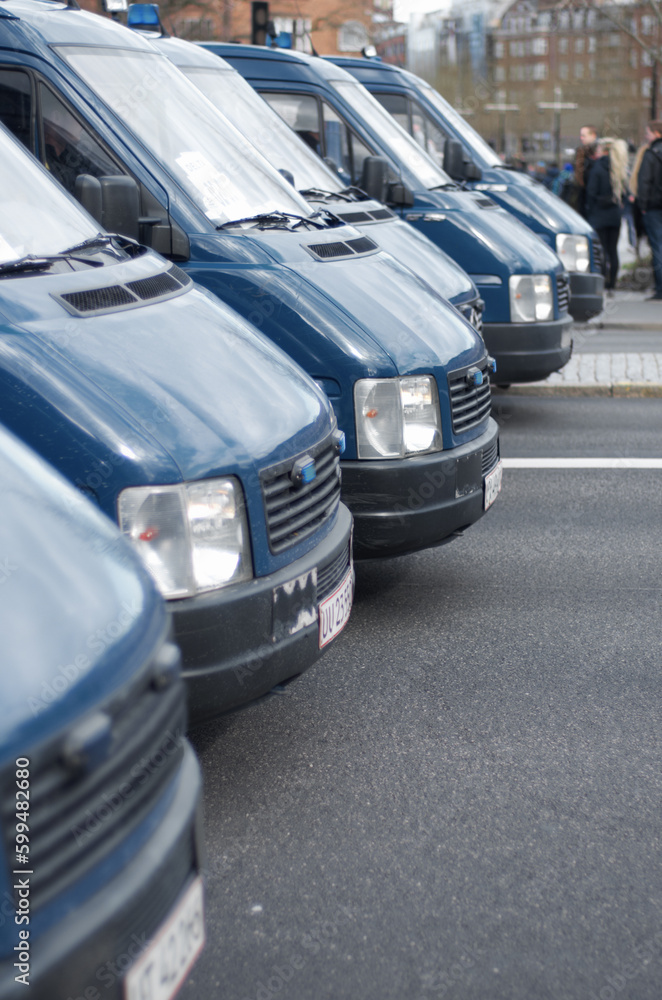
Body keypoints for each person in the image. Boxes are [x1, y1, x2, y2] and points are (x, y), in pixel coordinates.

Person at [585, 137, 628, 293]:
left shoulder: (597, 169)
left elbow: (591, 193)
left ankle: (603, 280)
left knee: (601, 250)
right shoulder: (618, 168)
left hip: (599, 216)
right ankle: (613, 283)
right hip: (615, 216)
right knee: (613, 250)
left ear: (603, 151)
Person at [637, 120, 662, 299]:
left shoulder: (651, 154)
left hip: (654, 207)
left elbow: (644, 181)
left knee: (658, 247)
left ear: (656, 133)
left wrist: (643, 206)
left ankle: (660, 288)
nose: (646, 136)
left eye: (648, 133)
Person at [574, 124, 598, 217]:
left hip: (592, 196)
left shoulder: (597, 153)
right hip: (583, 194)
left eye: (584, 135)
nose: (581, 138)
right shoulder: (581, 151)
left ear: (593, 135)